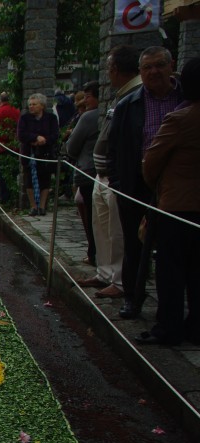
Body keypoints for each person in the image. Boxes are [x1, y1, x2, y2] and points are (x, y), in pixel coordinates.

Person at [109, 45, 183, 320]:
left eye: (159, 65)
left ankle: (173, 310)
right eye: (147, 67)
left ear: (171, 65)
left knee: (174, 249)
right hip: (136, 185)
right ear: (140, 72)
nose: (154, 72)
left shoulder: (187, 98)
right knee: (134, 245)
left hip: (178, 187)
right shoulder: (129, 104)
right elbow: (114, 147)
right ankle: (133, 298)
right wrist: (118, 183)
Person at [138, 58, 200, 345]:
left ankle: (169, 328)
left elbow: (152, 161)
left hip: (177, 206)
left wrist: (159, 188)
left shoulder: (180, 118)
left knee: (171, 270)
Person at [89, 45, 142, 301]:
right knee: (102, 228)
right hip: (102, 175)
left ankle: (120, 281)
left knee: (117, 231)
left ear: (116, 69)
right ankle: (104, 273)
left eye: (109, 68)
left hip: (117, 177)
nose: (108, 73)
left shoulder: (137, 94)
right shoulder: (120, 94)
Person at [63, 82, 100, 268]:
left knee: (93, 214)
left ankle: (94, 252)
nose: (85, 101)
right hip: (97, 172)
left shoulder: (89, 117)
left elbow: (71, 146)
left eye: (88, 96)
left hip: (87, 170)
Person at [16, 93, 59, 216]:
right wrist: (35, 138)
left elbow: (55, 134)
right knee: (29, 180)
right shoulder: (24, 118)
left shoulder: (51, 118)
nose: (31, 107)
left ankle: (42, 206)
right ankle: (33, 206)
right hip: (30, 153)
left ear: (42, 106)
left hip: (45, 153)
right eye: (30, 104)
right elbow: (21, 134)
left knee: (45, 180)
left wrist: (44, 140)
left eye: (34, 104)